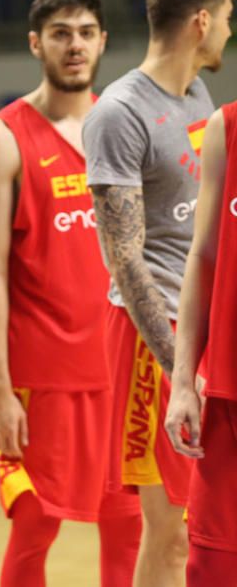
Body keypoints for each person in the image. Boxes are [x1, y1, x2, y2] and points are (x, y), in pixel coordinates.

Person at [0, 0, 142, 587]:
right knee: (37, 521)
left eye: (87, 33)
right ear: (35, 43)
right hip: (44, 374)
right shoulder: (0, 137)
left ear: (103, 42)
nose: (75, 46)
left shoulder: (123, 126)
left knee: (128, 523)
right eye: (61, 34)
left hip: (122, 362)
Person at [83, 0, 236, 586]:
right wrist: (180, 366)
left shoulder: (199, 95)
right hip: (152, 341)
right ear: (201, 21)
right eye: (226, 18)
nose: (229, 31)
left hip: (198, 331)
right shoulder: (119, 111)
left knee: (193, 527)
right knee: (170, 533)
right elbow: (123, 256)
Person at [165, 100, 237, 585]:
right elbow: (204, 254)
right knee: (210, 566)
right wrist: (184, 381)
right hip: (228, 398)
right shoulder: (226, 127)